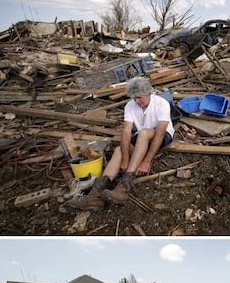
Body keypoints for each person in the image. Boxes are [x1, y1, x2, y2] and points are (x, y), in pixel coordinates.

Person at [66, 77, 174, 211]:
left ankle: (123, 189)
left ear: (148, 93)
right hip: (142, 137)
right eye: (134, 98)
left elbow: (160, 133)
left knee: (144, 133)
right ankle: (95, 197)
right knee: (118, 150)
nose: (136, 101)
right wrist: (125, 158)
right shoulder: (130, 106)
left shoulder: (161, 104)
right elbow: (126, 132)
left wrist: (147, 161)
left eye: (139, 97)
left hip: (161, 135)